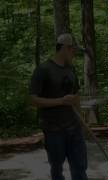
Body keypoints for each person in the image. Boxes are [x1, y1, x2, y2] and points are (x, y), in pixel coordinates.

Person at [30, 33, 88, 180]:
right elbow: (34, 100)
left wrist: (82, 120)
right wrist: (60, 101)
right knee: (57, 170)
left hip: (74, 128)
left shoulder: (71, 70)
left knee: (80, 168)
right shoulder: (43, 70)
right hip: (54, 129)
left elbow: (76, 96)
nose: (74, 54)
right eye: (73, 50)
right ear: (64, 48)